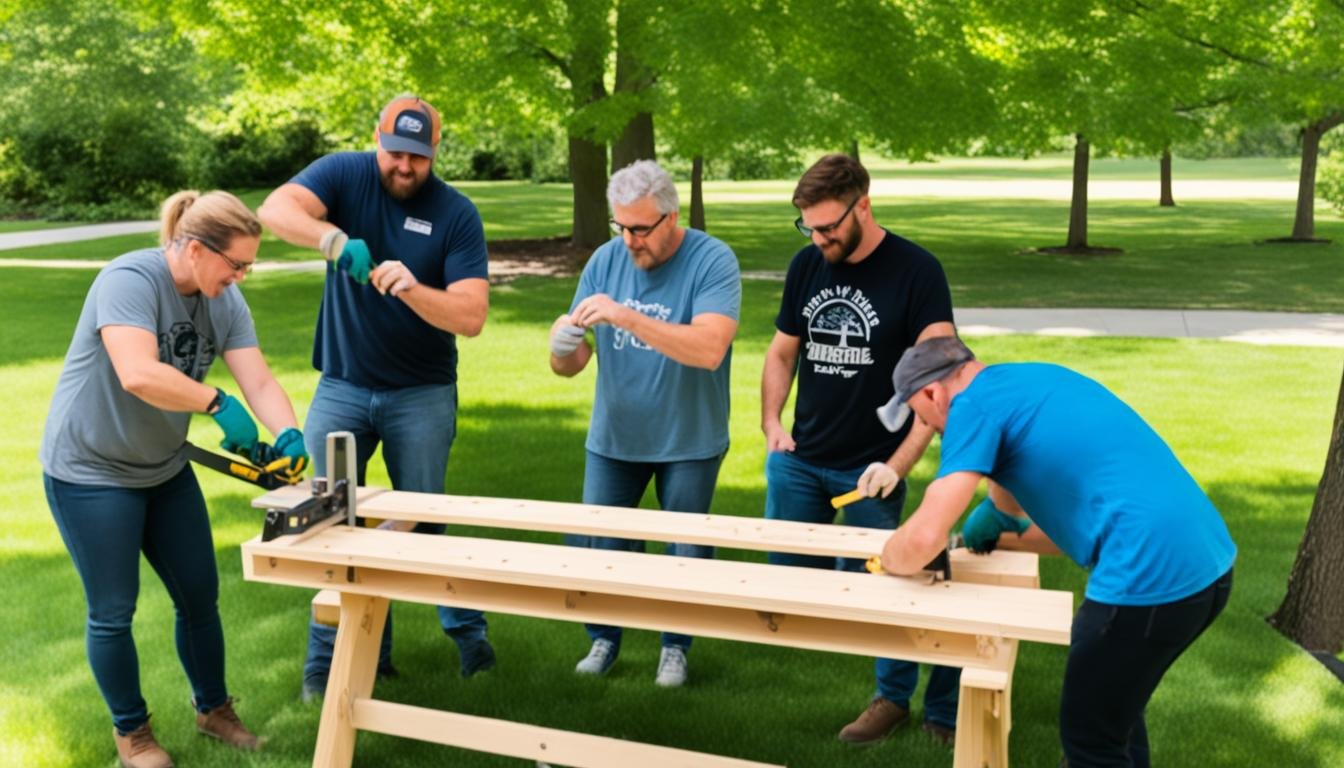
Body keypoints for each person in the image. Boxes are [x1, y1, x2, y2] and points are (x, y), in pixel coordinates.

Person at [875, 336, 1237, 768]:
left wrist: (889, 556)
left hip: (1146, 577)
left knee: (1090, 744)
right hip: (1208, 565)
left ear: (932, 392)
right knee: (1116, 717)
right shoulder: (1032, 380)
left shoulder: (970, 406)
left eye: (923, 417)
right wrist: (1002, 522)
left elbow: (922, 539)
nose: (933, 431)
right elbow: (1066, 530)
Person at [40, 190, 310, 768]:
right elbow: (138, 373)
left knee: (199, 595)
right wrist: (215, 402)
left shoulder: (224, 299)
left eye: (248, 267)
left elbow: (258, 381)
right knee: (113, 611)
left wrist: (289, 433)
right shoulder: (128, 280)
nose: (240, 277)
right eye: (235, 264)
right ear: (193, 249)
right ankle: (132, 735)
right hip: (90, 471)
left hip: (163, 466)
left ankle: (214, 710)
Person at [257, 93, 493, 701]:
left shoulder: (456, 214)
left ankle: (469, 637)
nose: (403, 167)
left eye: (417, 157)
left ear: (435, 152)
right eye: (394, 153)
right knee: (331, 521)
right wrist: (334, 242)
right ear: (376, 140)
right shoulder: (344, 173)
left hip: (422, 393)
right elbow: (276, 209)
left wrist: (414, 289)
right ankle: (333, 662)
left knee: (425, 519)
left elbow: (470, 317)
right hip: (341, 386)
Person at [759, 153, 960, 744]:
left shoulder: (918, 272)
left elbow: (943, 381)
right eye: (808, 228)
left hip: (873, 465)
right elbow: (780, 352)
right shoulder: (806, 265)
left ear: (863, 206)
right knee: (795, 590)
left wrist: (896, 466)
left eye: (827, 227)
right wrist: (773, 426)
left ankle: (895, 699)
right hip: (800, 459)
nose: (818, 239)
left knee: (892, 589)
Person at [549, 159, 741, 687]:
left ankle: (675, 646)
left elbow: (708, 348)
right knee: (604, 544)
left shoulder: (711, 260)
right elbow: (572, 364)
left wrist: (625, 315)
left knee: (684, 548)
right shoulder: (605, 261)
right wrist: (561, 346)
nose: (630, 241)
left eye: (640, 228)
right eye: (622, 226)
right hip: (615, 437)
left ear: (671, 217)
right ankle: (605, 637)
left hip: (689, 437)